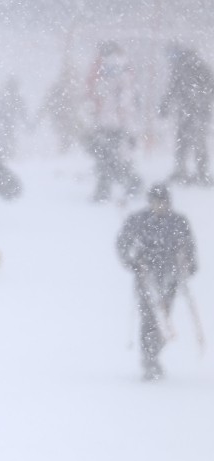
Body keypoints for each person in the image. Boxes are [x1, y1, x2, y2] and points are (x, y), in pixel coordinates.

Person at [116, 184, 198, 382]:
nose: (160, 206)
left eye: (163, 202)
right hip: (146, 276)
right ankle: (149, 358)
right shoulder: (139, 220)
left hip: (170, 276)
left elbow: (189, 245)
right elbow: (122, 243)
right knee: (149, 317)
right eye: (156, 202)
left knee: (164, 318)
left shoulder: (178, 221)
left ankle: (155, 353)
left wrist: (190, 264)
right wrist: (132, 262)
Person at [83, 42, 143, 203]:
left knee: (108, 157)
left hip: (112, 125)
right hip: (109, 124)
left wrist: (128, 128)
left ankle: (109, 188)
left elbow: (123, 102)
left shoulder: (113, 70)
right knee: (109, 157)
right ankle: (127, 182)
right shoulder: (113, 70)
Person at [159, 45, 214, 186]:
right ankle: (193, 172)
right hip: (192, 112)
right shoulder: (195, 68)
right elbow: (173, 89)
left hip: (191, 112)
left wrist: (165, 105)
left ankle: (189, 171)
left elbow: (173, 89)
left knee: (187, 142)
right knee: (191, 142)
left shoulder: (186, 69)